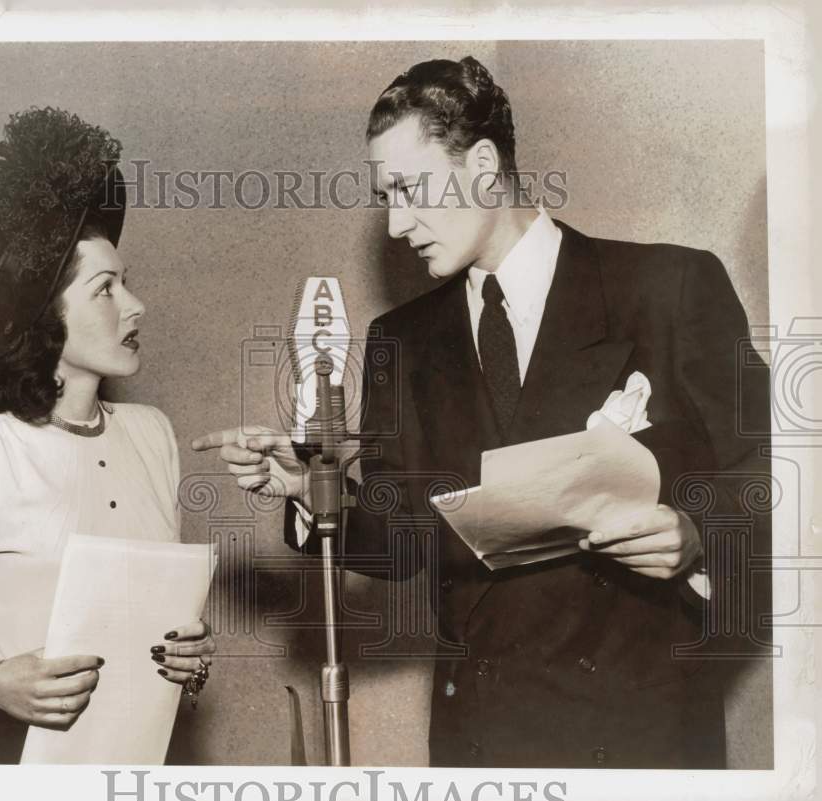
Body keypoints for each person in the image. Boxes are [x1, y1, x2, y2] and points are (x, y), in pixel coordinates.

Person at [193, 57, 771, 768]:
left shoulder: (670, 287)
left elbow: (767, 474)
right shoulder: (398, 341)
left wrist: (698, 530)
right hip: (481, 739)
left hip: (637, 734)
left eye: (409, 189)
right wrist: (310, 492)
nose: (398, 222)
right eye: (386, 197)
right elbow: (403, 537)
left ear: (485, 163)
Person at [0, 107, 215, 764]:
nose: (134, 306)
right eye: (107, 289)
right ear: (49, 315)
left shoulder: (153, 435)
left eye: (126, 283)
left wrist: (188, 656)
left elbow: (147, 626)